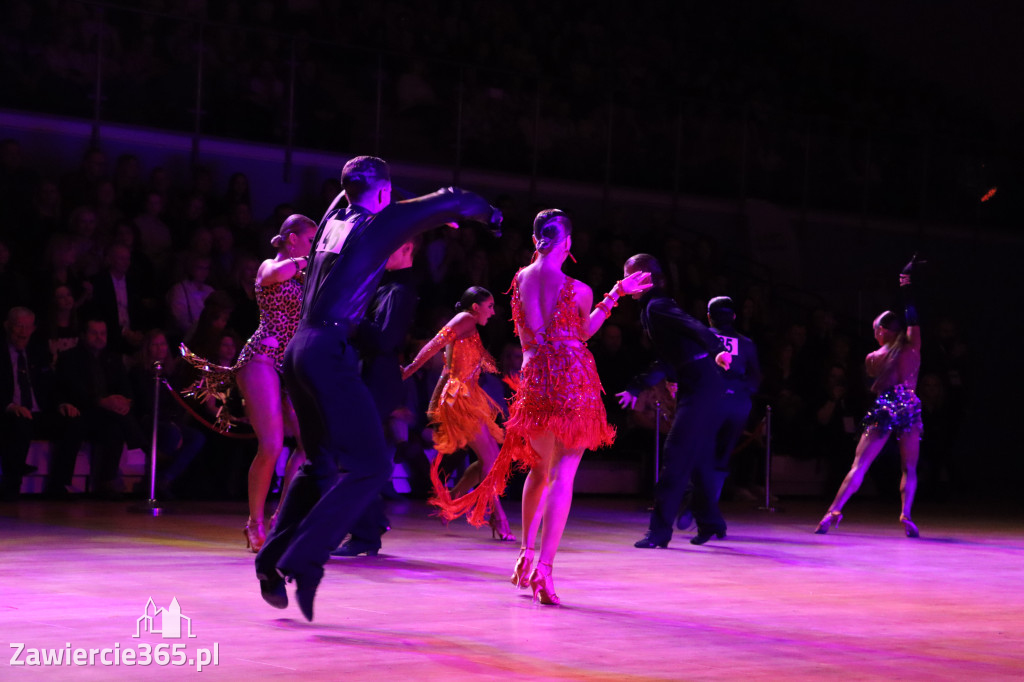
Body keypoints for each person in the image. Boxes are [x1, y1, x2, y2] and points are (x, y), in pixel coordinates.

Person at [255, 155, 502, 621]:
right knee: (369, 465)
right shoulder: (380, 223)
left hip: (299, 350)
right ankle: (303, 561)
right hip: (329, 351)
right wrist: (490, 215)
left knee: (319, 463)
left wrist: (412, 205)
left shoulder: (331, 222)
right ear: (385, 193)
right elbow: (452, 197)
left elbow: (356, 193)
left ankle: (270, 561)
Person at [445, 210, 651, 606]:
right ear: (567, 243)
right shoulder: (579, 289)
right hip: (571, 380)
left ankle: (525, 555)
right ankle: (545, 569)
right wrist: (616, 294)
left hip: (536, 377)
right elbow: (586, 331)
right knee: (563, 474)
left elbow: (531, 334)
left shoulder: (520, 278)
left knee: (538, 470)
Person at [181, 215, 316, 552]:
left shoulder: (303, 273)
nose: (314, 247)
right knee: (271, 444)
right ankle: (254, 522)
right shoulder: (270, 266)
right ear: (291, 239)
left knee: (308, 445)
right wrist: (310, 261)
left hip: (290, 364)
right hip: (260, 360)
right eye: (311, 240)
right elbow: (278, 274)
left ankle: (281, 519)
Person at [616, 254, 732, 549]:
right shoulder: (650, 308)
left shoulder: (658, 306)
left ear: (643, 278)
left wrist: (718, 347)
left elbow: (693, 326)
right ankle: (711, 522)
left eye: (628, 275)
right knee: (700, 458)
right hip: (698, 384)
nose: (623, 281)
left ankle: (659, 531)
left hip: (703, 385)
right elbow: (668, 358)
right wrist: (636, 386)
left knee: (676, 454)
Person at [815, 259, 923, 537]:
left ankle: (833, 512)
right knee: (908, 467)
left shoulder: (873, 358)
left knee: (859, 465)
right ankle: (906, 514)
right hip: (909, 405)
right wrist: (905, 282)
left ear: (881, 331)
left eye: (876, 329)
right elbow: (912, 314)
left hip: (887, 405)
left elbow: (872, 384)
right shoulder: (913, 346)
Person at [401, 286, 514, 542]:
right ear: (475, 307)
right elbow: (434, 345)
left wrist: (435, 404)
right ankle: (498, 518)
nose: (493, 312)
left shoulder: (469, 325)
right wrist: (409, 369)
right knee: (489, 458)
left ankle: (451, 502)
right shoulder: (465, 319)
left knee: (490, 458)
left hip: (466, 397)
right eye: (490, 306)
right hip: (460, 398)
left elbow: (447, 366)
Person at [332, 239, 420, 557]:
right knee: (362, 458)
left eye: (393, 246)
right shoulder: (390, 287)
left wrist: (352, 319)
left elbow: (385, 339)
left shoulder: (398, 291)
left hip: (376, 381)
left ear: (408, 248)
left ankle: (366, 533)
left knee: (356, 458)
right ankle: (371, 526)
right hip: (373, 379)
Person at [675, 296, 762, 530]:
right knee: (721, 460)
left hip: (705, 402)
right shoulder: (747, 343)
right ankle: (706, 511)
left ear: (709, 316)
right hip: (737, 406)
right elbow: (755, 381)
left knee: (696, 453)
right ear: (734, 316)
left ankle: (693, 505)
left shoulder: (700, 335)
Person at [54, 317, 145, 499]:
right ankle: (145, 446)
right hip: (82, 409)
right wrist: (101, 401)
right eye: (94, 333)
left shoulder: (112, 358)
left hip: (107, 413)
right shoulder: (69, 357)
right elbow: (73, 388)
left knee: (115, 428)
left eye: (102, 333)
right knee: (83, 423)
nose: (99, 337)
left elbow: (125, 387)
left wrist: (125, 402)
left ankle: (106, 481)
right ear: (83, 335)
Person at [0, 307, 82, 499]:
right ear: (7, 326)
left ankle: (59, 483)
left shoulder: (37, 351)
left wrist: (61, 403)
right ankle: (12, 485)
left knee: (74, 422)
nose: (23, 332)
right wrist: (10, 406)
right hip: (9, 412)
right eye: (19, 326)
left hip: (38, 412)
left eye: (28, 327)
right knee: (20, 423)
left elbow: (51, 384)